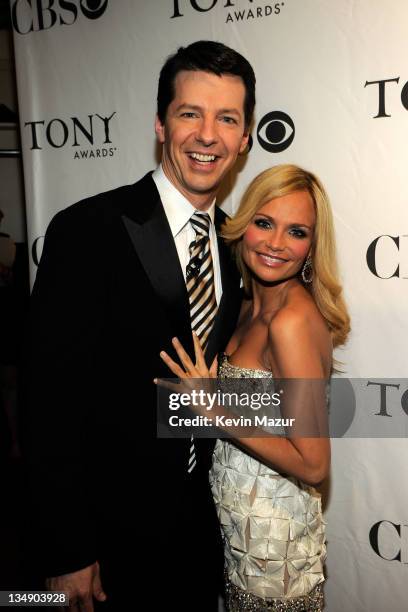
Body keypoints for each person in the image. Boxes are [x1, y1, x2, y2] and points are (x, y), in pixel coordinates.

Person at [24, 41, 255, 611]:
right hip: (105, 543)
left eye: (227, 118)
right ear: (160, 124)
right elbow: (46, 402)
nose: (208, 134)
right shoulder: (89, 229)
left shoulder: (239, 245)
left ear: (246, 137)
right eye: (189, 113)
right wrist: (67, 549)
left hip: (202, 534)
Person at [158, 164, 350, 611]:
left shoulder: (290, 322)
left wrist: (214, 411)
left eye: (297, 232)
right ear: (244, 224)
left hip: (273, 546)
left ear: (311, 246)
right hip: (239, 530)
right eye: (265, 223)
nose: (276, 244)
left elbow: (313, 462)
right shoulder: (244, 307)